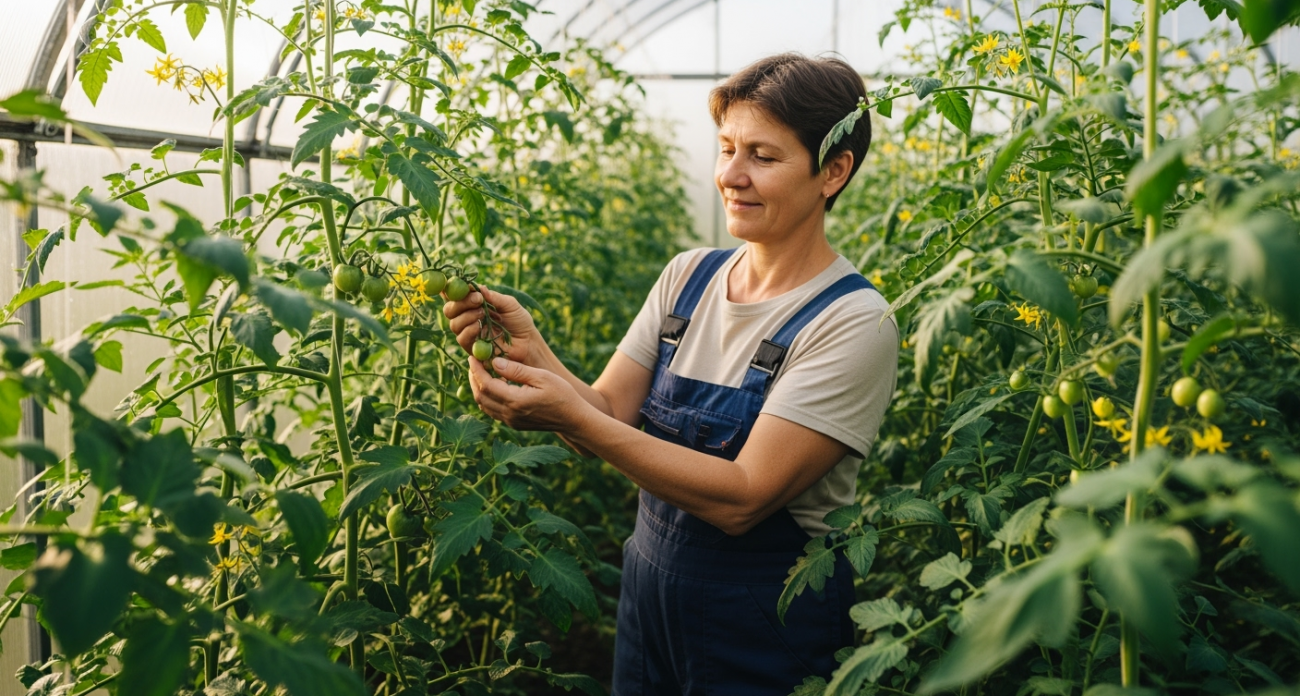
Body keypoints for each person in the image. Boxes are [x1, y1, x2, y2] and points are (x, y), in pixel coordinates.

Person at [443, 53, 899, 696]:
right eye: (726, 149)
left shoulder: (852, 321)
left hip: (767, 626)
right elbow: (605, 410)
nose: (731, 177)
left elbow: (743, 497)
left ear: (833, 172)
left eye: (763, 158)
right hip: (649, 600)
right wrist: (529, 349)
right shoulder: (689, 277)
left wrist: (570, 415)